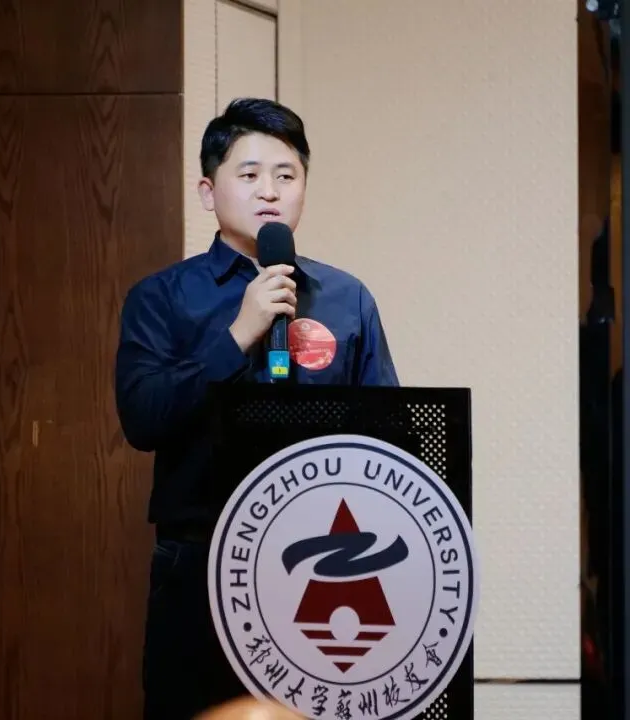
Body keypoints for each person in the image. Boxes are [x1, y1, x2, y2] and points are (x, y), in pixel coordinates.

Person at [114, 97, 399, 720]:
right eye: (249, 174)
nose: (269, 191)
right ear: (207, 191)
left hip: (322, 565)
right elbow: (142, 418)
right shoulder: (162, 298)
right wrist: (238, 335)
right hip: (198, 563)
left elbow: (386, 436)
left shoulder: (347, 298)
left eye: (286, 175)